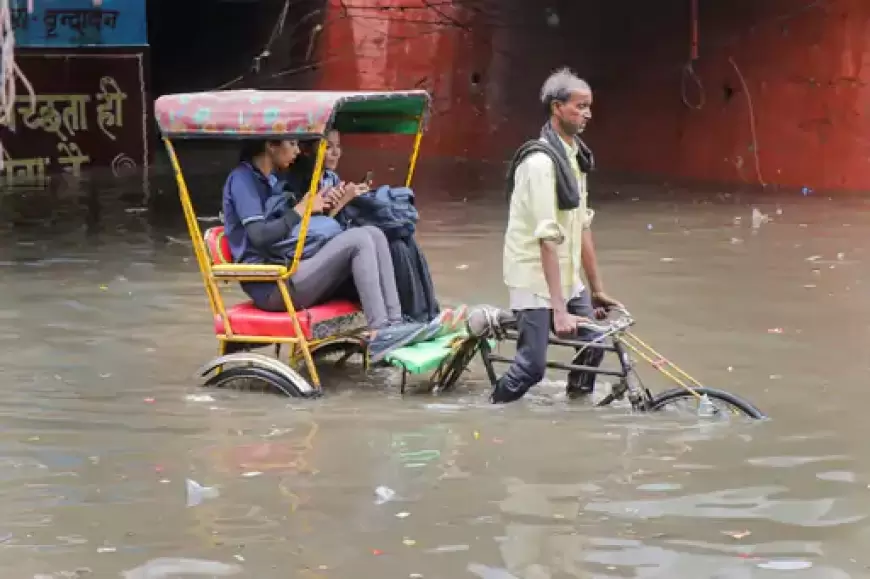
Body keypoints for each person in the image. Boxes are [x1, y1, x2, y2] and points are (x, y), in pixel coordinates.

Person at [221, 138, 428, 362]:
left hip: (294, 267)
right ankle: (379, 330)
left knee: (374, 232)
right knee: (359, 239)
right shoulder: (243, 180)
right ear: (271, 145)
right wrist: (301, 210)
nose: (298, 151)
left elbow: (294, 232)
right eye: (292, 143)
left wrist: (323, 206)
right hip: (273, 285)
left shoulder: (272, 179)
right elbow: (259, 236)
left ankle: (394, 325)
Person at [489, 67, 623, 403]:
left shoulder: (575, 158)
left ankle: (575, 407)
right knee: (531, 368)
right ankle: (491, 410)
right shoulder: (539, 164)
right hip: (533, 277)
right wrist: (559, 311)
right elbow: (547, 238)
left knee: (595, 344)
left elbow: (581, 226)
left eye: (589, 107)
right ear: (556, 108)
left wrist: (597, 290)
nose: (587, 114)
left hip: (566, 276)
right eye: (579, 106)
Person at [286, 129, 455, 330]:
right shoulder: (297, 185)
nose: (335, 152)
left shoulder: (330, 177)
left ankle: (428, 314)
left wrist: (354, 196)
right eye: (327, 147)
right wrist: (344, 202)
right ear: (307, 151)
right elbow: (316, 235)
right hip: (325, 265)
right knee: (393, 247)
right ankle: (411, 319)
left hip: (341, 250)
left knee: (403, 239)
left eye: (338, 146)